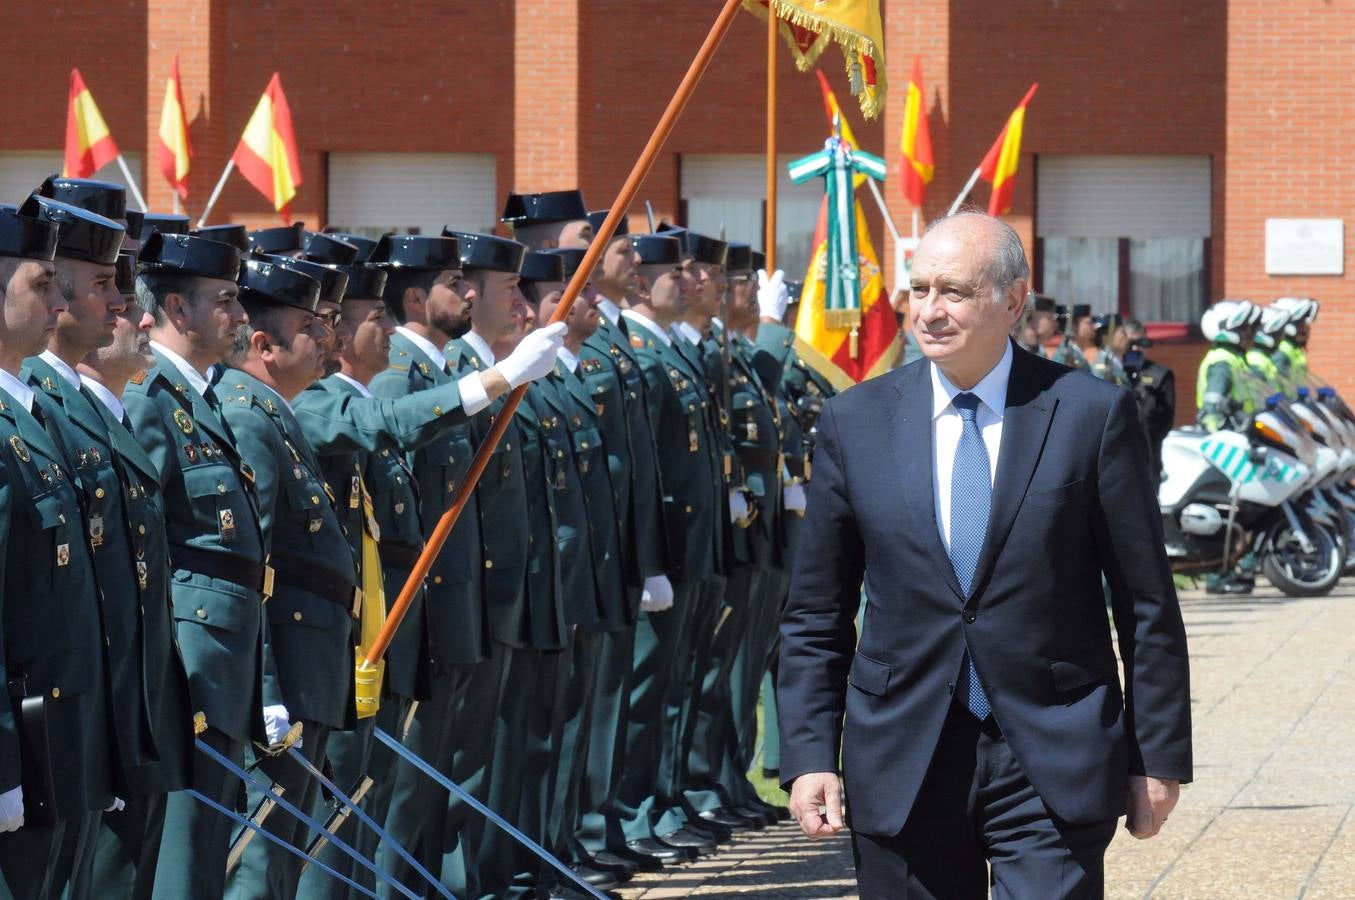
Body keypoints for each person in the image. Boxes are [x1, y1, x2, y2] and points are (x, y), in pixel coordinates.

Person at [778, 211, 1192, 899]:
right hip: (903, 755)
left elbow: (1145, 603)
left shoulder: (1088, 415)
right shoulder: (856, 422)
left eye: (953, 292)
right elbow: (815, 611)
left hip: (1049, 754)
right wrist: (810, 754)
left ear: (1012, 300)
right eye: (918, 289)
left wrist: (1156, 758)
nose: (928, 312)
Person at [121, 232, 278, 900]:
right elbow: (143, 554)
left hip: (223, 657)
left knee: (211, 843)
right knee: (184, 857)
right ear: (179, 311)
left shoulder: (202, 401)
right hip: (190, 662)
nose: (241, 315)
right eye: (226, 300)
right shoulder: (150, 401)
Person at [0, 199, 115, 900]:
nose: (58, 301)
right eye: (40, 285)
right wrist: (4, 765)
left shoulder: (31, 414)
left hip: (63, 733)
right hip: (24, 740)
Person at [1121, 319, 1175, 485]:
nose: (1136, 348)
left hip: (1149, 456)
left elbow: (1167, 420)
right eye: (1131, 343)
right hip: (1118, 459)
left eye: (1140, 343)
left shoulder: (1160, 375)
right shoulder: (1113, 370)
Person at [1195, 300, 1254, 432]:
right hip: (1227, 433)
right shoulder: (1222, 361)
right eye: (1243, 328)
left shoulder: (1233, 357)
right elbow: (1213, 405)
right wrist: (1215, 433)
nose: (1248, 333)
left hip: (1238, 427)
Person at [1049, 303, 1091, 372]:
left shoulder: (1076, 353)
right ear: (1073, 326)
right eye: (1088, 323)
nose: (1093, 327)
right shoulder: (1064, 354)